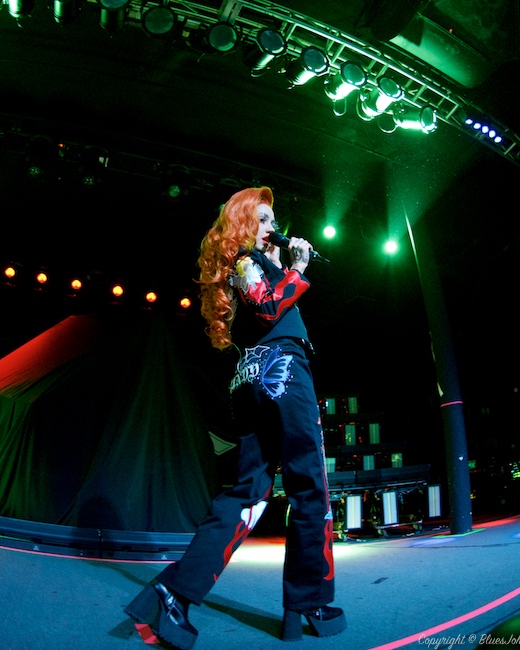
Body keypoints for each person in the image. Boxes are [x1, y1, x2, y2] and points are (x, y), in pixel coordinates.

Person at [124, 186, 345, 649]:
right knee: (310, 488)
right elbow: (269, 306)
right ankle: (309, 601)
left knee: (247, 494)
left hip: (250, 382)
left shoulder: (250, 264)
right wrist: (299, 269)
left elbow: (263, 303)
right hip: (284, 374)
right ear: (242, 224)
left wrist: (282, 263)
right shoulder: (245, 261)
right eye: (262, 219)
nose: (272, 227)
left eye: (273, 221)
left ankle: (175, 593)